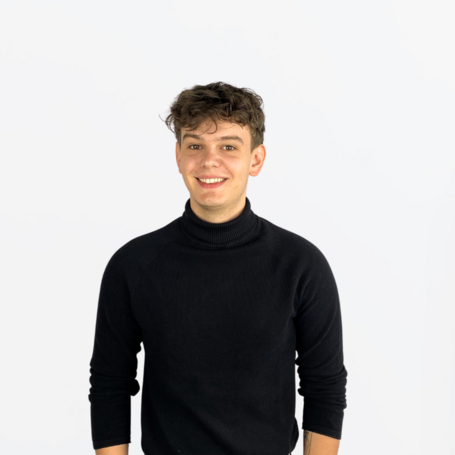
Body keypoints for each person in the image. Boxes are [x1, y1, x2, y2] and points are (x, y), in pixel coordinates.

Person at [88, 81, 348, 455]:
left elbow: (325, 387)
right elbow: (110, 384)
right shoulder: (133, 265)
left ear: (256, 159)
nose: (209, 161)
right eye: (195, 146)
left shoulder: (301, 265)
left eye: (228, 146)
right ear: (179, 156)